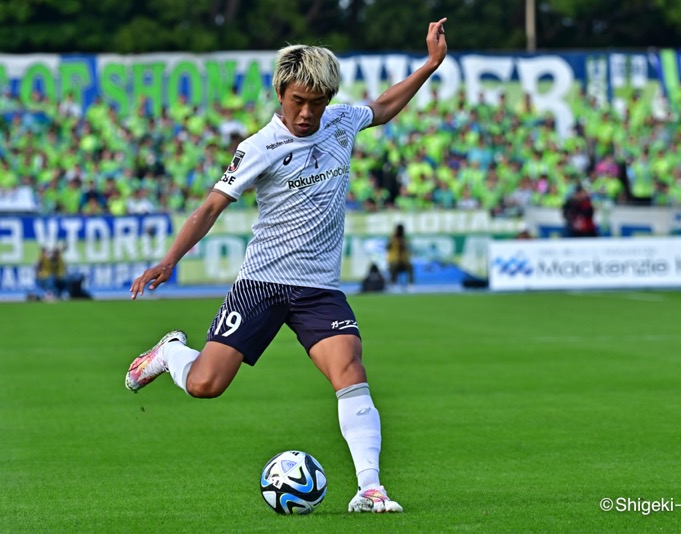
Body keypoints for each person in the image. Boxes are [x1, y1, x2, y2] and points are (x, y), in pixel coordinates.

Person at [125, 18, 448, 514]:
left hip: (319, 289)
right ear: (281, 94)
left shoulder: (341, 122)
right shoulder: (259, 147)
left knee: (351, 372)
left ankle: (371, 488)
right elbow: (211, 206)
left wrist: (429, 65)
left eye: (317, 102)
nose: (307, 113)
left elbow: (383, 107)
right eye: (298, 101)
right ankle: (171, 352)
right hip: (262, 283)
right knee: (206, 385)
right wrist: (168, 261)